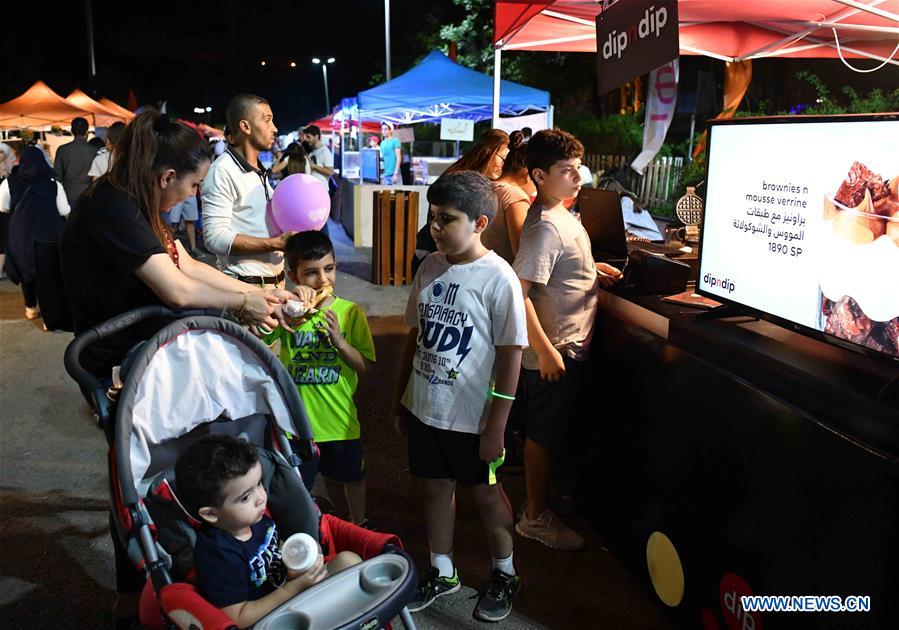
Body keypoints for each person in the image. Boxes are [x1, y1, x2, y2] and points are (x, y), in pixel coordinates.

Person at [392, 171, 528, 622]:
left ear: (480, 222)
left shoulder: (498, 279)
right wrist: (400, 397)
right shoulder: (430, 266)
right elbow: (415, 336)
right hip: (427, 407)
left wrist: (496, 426)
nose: (435, 228)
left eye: (446, 219)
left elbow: (511, 357)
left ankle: (504, 571)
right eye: (432, 218)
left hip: (474, 419)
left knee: (487, 496)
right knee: (434, 489)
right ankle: (442, 568)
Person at [511, 129, 622, 551]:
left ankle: (543, 504)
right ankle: (535, 518)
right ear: (540, 175)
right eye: (567, 171)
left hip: (566, 344)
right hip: (555, 349)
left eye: (578, 168)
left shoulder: (562, 214)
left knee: (552, 431)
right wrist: (545, 351)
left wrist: (592, 269)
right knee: (542, 434)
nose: (578, 177)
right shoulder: (544, 228)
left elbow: (560, 269)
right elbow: (517, 294)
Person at [176, 434, 362, 628]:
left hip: (291, 593)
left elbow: (274, 548)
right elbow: (237, 618)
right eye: (245, 497)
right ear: (211, 514)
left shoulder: (255, 519)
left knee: (348, 561)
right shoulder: (218, 553)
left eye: (258, 484)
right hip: (270, 619)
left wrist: (300, 559)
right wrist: (294, 588)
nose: (260, 498)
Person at [263, 231, 376, 527]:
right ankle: (311, 527)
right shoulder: (290, 314)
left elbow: (365, 365)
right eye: (311, 273)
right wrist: (282, 313)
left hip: (340, 421)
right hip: (299, 426)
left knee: (353, 477)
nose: (323, 280)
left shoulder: (351, 313)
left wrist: (339, 342)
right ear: (292, 275)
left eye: (329, 269)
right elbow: (262, 342)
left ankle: (359, 522)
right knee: (303, 483)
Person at [202, 94, 292, 289]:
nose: (274, 128)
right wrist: (275, 243)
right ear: (245, 126)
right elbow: (214, 238)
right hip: (245, 288)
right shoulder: (222, 171)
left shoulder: (259, 169)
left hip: (275, 285)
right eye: (267, 120)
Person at [413, 129, 510, 274]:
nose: (504, 165)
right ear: (489, 151)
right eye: (502, 159)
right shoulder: (460, 180)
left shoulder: (476, 179)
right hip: (440, 258)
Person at [0, 146, 70, 319]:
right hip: (49, 236)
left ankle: (31, 307)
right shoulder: (54, 184)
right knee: (48, 274)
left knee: (26, 271)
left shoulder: (8, 183)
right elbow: (64, 210)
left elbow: (3, 207)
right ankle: (49, 316)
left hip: (21, 235)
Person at [481, 130, 535, 264]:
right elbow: (522, 254)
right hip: (502, 278)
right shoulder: (514, 196)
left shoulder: (485, 186)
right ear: (528, 174)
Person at [54, 117, 99, 205]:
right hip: (89, 194)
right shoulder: (95, 150)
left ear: (72, 131)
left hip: (68, 194)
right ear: (87, 131)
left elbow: (57, 176)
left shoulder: (62, 150)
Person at [300, 125, 334, 190]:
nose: (306, 139)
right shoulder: (313, 150)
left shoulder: (325, 151)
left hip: (321, 190)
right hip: (313, 189)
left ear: (316, 137)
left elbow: (330, 172)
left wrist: (314, 166)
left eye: (308, 137)